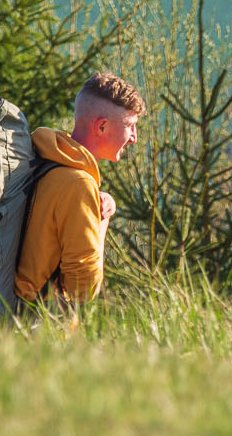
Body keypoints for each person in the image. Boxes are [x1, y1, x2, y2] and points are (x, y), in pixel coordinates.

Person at [14, 71, 144, 306]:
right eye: (130, 126)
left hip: (7, 309)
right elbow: (84, 290)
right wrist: (102, 220)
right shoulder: (79, 184)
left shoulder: (46, 158)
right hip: (38, 322)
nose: (134, 137)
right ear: (102, 126)